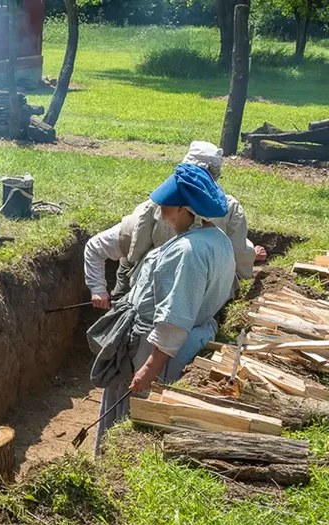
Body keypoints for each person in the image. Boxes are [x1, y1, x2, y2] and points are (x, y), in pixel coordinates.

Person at [87, 163, 236, 454]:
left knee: (130, 412)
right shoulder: (216, 239)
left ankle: (108, 462)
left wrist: (148, 369)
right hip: (172, 340)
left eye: (166, 203)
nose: (159, 208)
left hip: (153, 349)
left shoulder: (188, 253)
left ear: (184, 209)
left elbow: (174, 321)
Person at [84, 141, 267, 310]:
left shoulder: (153, 211)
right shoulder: (148, 215)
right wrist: (98, 289)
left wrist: (249, 254)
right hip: (147, 291)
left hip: (178, 298)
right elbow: (238, 254)